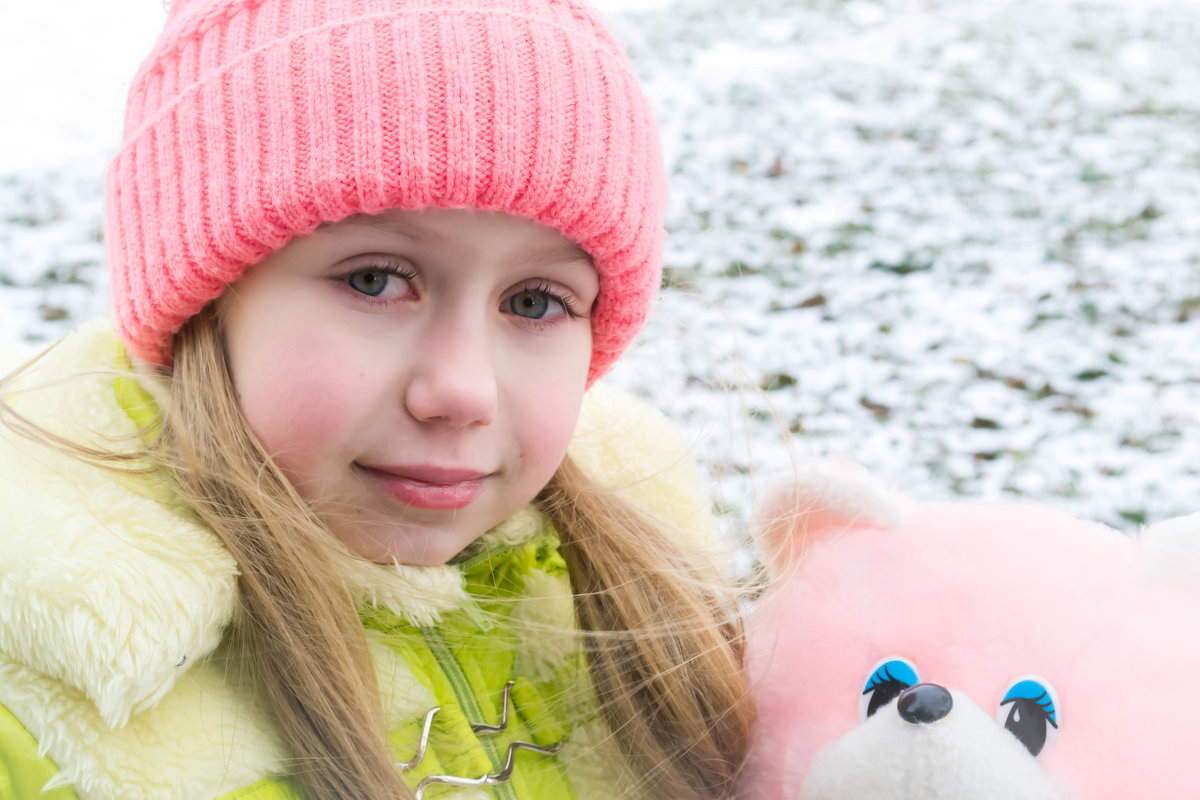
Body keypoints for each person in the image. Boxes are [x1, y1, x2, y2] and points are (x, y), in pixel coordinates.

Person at [0, 1, 755, 799]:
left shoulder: (654, 624)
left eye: (534, 302)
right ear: (206, 302)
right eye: (375, 279)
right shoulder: (41, 712)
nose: (462, 391)